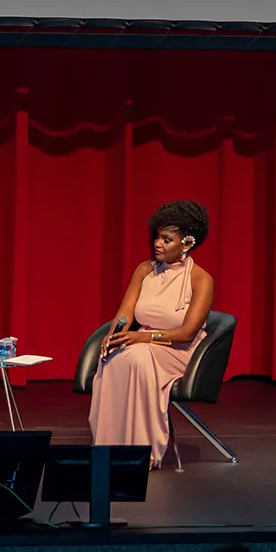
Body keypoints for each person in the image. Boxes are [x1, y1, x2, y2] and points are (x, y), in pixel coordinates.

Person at [89, 199, 215, 468]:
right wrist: (114, 336)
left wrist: (141, 338)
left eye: (167, 239)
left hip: (180, 351)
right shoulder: (144, 271)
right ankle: (109, 447)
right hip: (143, 345)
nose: (158, 243)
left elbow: (187, 334)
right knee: (115, 358)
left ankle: (141, 452)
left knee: (137, 357)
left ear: (187, 243)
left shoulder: (201, 279)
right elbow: (124, 315)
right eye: (157, 237)